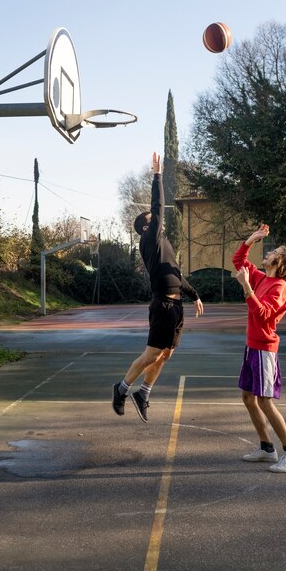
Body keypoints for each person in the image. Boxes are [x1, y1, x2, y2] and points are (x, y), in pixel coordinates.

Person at [112, 151, 203, 422]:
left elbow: (175, 274)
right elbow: (158, 206)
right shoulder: (149, 240)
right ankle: (122, 388)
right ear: (146, 227)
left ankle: (143, 393)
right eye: (154, 220)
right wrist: (157, 175)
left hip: (176, 305)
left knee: (166, 354)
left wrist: (194, 294)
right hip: (162, 304)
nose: (159, 221)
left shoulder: (164, 245)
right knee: (152, 353)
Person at [233, 223, 286, 473]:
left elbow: (263, 315)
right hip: (252, 346)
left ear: (280, 262)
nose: (268, 252)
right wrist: (252, 238)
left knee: (264, 401)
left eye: (273, 252)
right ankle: (266, 448)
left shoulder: (280, 288)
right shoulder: (262, 278)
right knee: (247, 397)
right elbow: (238, 259)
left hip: (264, 350)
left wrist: (246, 287)